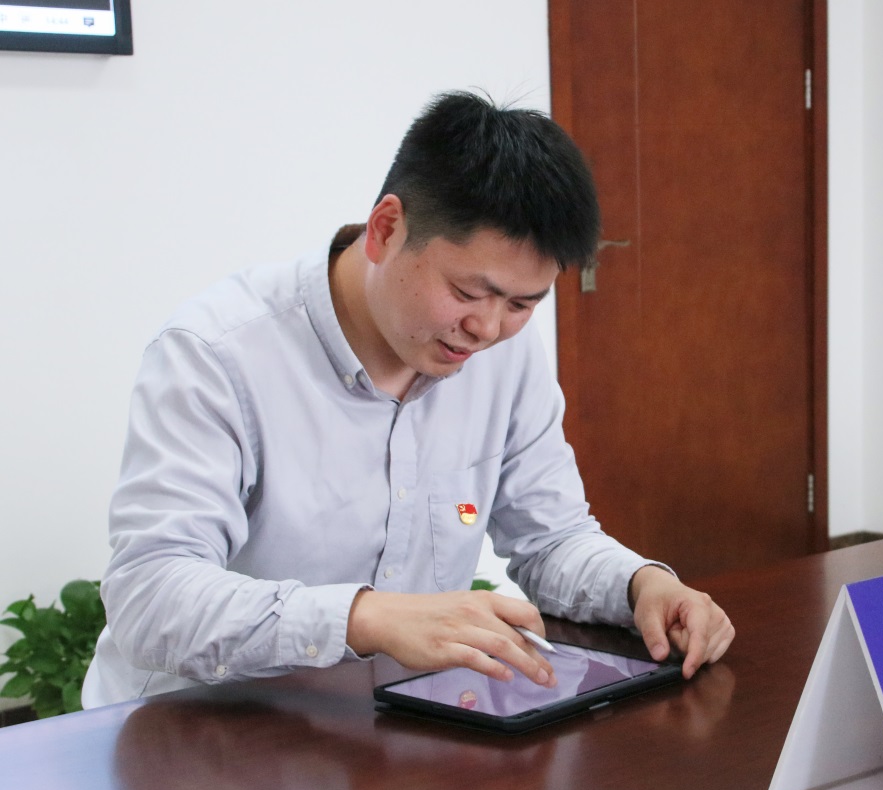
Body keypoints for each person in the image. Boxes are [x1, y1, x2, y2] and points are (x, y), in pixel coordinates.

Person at [82, 91, 734, 708]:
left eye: (522, 303)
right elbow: (151, 597)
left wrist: (642, 585)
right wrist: (366, 618)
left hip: (386, 721)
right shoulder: (217, 355)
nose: (487, 328)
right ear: (386, 228)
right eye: (468, 292)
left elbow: (550, 538)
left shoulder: (503, 354)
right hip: (196, 732)